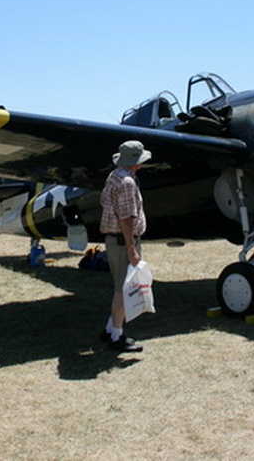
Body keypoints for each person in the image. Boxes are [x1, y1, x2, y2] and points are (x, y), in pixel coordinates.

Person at [99, 140, 151, 353]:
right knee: (123, 290)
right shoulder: (128, 182)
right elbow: (127, 218)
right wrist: (132, 249)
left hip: (115, 241)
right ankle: (116, 336)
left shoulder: (114, 176)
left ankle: (110, 328)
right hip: (123, 242)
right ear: (134, 162)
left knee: (120, 287)